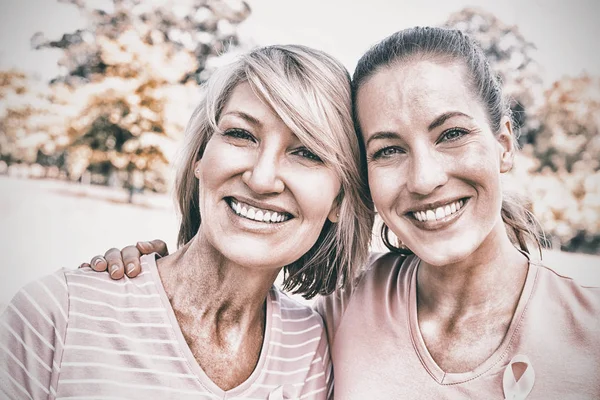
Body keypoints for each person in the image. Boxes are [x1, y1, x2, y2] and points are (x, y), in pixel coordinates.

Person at [77, 27, 600, 399]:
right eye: (388, 149)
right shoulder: (342, 308)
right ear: (361, 182)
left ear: (504, 144)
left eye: (452, 134)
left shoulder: (591, 334)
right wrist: (144, 273)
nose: (423, 178)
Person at [0, 44, 374, 399]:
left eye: (307, 152)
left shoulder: (312, 348)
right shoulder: (59, 314)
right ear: (200, 156)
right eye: (241, 134)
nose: (261, 179)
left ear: (339, 200)